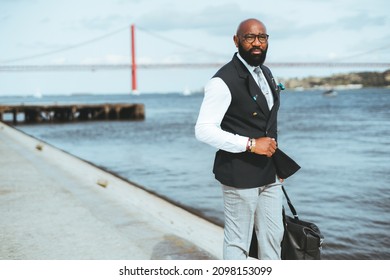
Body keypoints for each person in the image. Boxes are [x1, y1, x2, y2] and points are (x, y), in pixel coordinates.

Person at [195, 18, 295, 260]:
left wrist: (276, 163)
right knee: (238, 242)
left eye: (262, 37)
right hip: (239, 173)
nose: (257, 43)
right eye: (250, 37)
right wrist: (250, 144)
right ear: (236, 40)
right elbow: (204, 130)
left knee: (274, 237)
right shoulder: (222, 81)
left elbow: (267, 124)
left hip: (270, 173)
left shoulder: (267, 73)